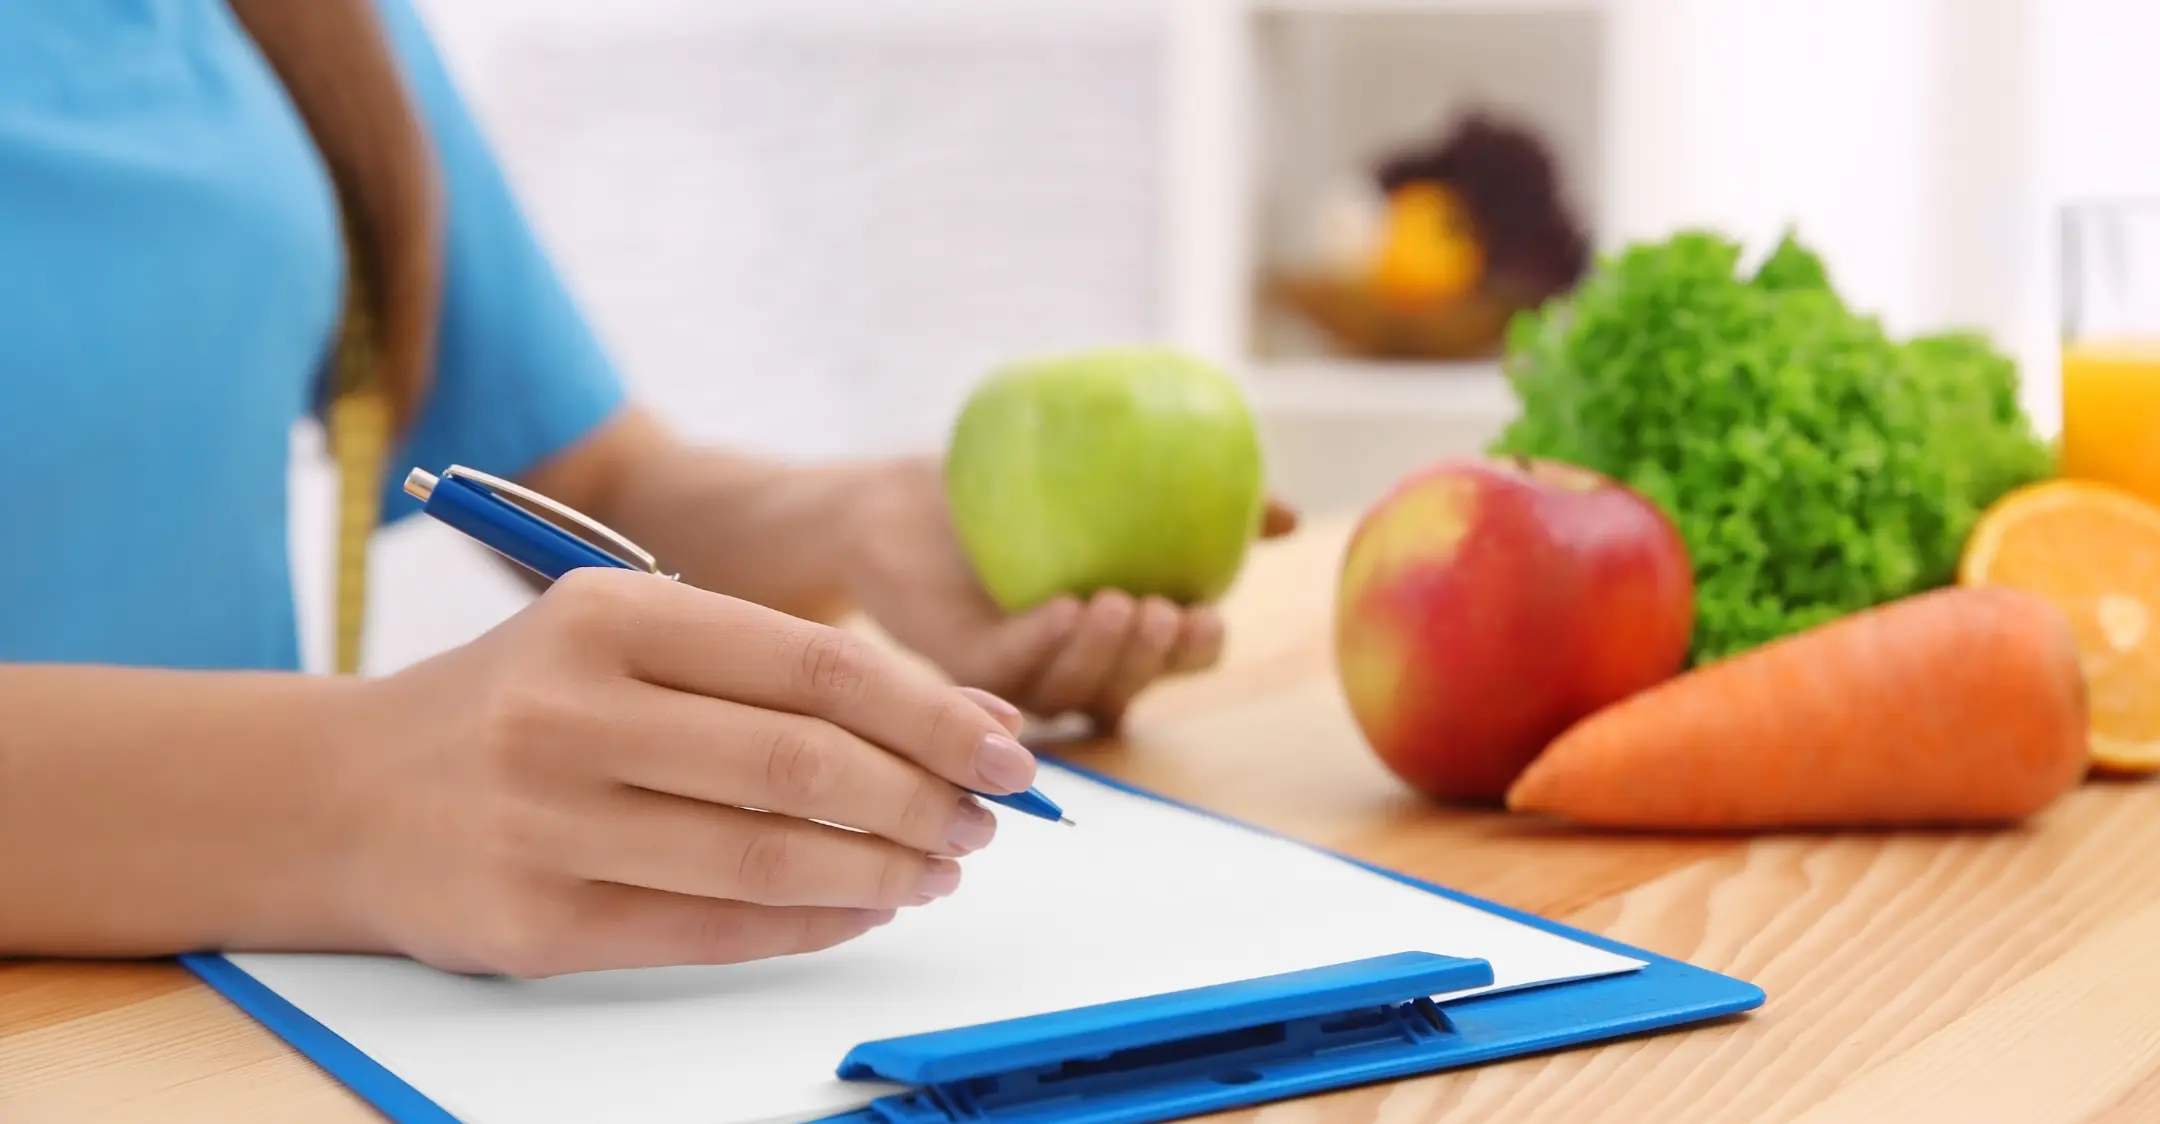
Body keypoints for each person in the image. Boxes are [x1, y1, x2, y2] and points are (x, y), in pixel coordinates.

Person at [0, 0, 1289, 977]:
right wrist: (352, 794)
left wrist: (864, 527)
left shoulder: (290, 25)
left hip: (235, 1033)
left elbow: (577, 473)